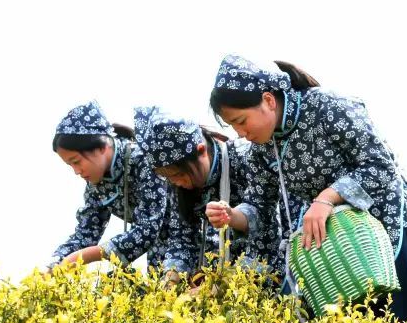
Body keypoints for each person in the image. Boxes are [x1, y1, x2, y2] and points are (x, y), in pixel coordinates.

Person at [210, 55, 407, 323]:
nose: (241, 134)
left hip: (384, 228)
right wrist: (233, 216)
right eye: (233, 127)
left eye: (242, 121)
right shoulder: (263, 149)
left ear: (268, 100)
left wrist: (326, 198)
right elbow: (260, 209)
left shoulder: (328, 106)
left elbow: (380, 166)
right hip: (334, 249)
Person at [133, 106, 278, 278]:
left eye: (180, 174)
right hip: (218, 281)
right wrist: (171, 277)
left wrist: (222, 285)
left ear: (201, 151)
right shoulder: (180, 186)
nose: (177, 182)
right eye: (169, 178)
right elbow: (182, 240)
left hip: (264, 275)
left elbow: (267, 229)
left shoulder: (245, 158)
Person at [48, 100, 169, 271]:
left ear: (102, 147)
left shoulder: (143, 160)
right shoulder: (96, 183)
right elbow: (86, 232)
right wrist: (55, 263)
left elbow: (148, 229)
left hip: (191, 244)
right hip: (160, 257)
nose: (76, 171)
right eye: (70, 165)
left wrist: (88, 255)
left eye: (76, 162)